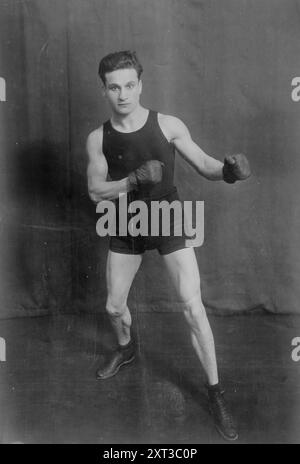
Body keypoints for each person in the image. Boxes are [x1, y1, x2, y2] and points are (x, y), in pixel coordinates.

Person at [86, 50, 251, 441]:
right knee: (113, 307)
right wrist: (130, 182)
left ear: (140, 84)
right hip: (126, 221)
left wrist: (227, 172)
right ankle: (126, 349)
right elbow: (95, 191)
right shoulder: (98, 137)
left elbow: (206, 164)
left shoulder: (168, 125)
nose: (123, 94)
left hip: (168, 219)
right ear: (104, 90)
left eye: (129, 85)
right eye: (114, 87)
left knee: (193, 308)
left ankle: (215, 393)